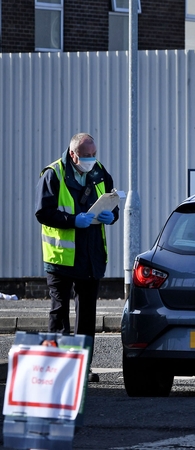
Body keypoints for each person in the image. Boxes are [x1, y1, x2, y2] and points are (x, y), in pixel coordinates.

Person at [35, 133, 119, 383]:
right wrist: (73, 220)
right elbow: (43, 212)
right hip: (61, 257)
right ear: (73, 154)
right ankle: (59, 369)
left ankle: (82, 367)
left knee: (86, 315)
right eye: (86, 156)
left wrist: (112, 216)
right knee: (59, 312)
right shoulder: (53, 173)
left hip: (91, 256)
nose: (92, 160)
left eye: (94, 155)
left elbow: (111, 203)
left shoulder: (99, 171)